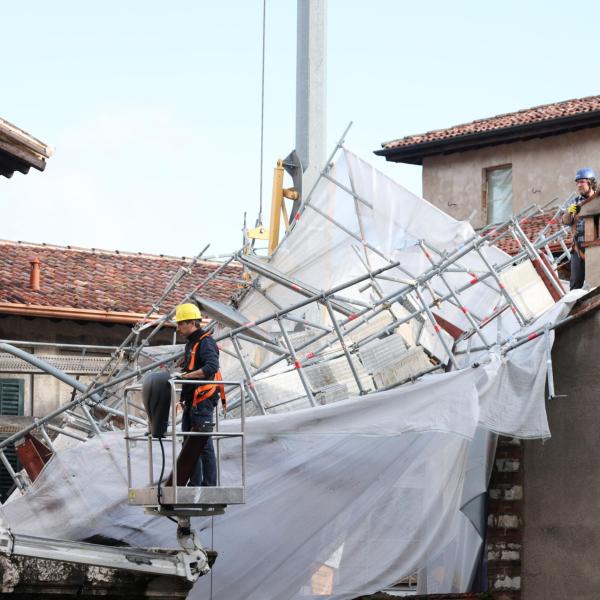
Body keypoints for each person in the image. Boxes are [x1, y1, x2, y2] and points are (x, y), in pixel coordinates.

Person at [175, 302, 225, 487]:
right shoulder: (192, 344)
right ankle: (195, 483)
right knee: (189, 445)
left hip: (202, 401)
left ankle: (209, 485)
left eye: (181, 323)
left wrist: (186, 376)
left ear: (192, 322)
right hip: (191, 401)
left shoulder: (206, 342)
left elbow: (211, 367)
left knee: (202, 444)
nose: (178, 327)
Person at [562, 168, 598, 290]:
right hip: (579, 248)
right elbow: (565, 221)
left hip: (596, 246)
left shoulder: (598, 199)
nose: (579, 185)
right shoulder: (575, 202)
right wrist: (570, 212)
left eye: (582, 182)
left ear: (590, 182)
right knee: (576, 283)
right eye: (577, 182)